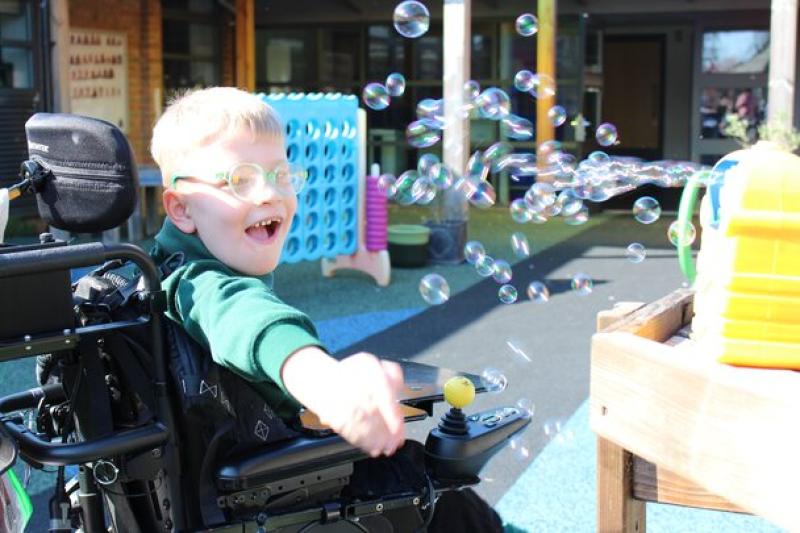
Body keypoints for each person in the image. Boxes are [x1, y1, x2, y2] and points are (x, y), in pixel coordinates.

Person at [148, 87, 502, 531]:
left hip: (261, 467)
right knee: (437, 488)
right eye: (240, 180)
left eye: (281, 175)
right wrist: (326, 382)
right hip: (286, 491)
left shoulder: (161, 269)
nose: (269, 194)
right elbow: (248, 322)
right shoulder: (199, 284)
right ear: (181, 209)